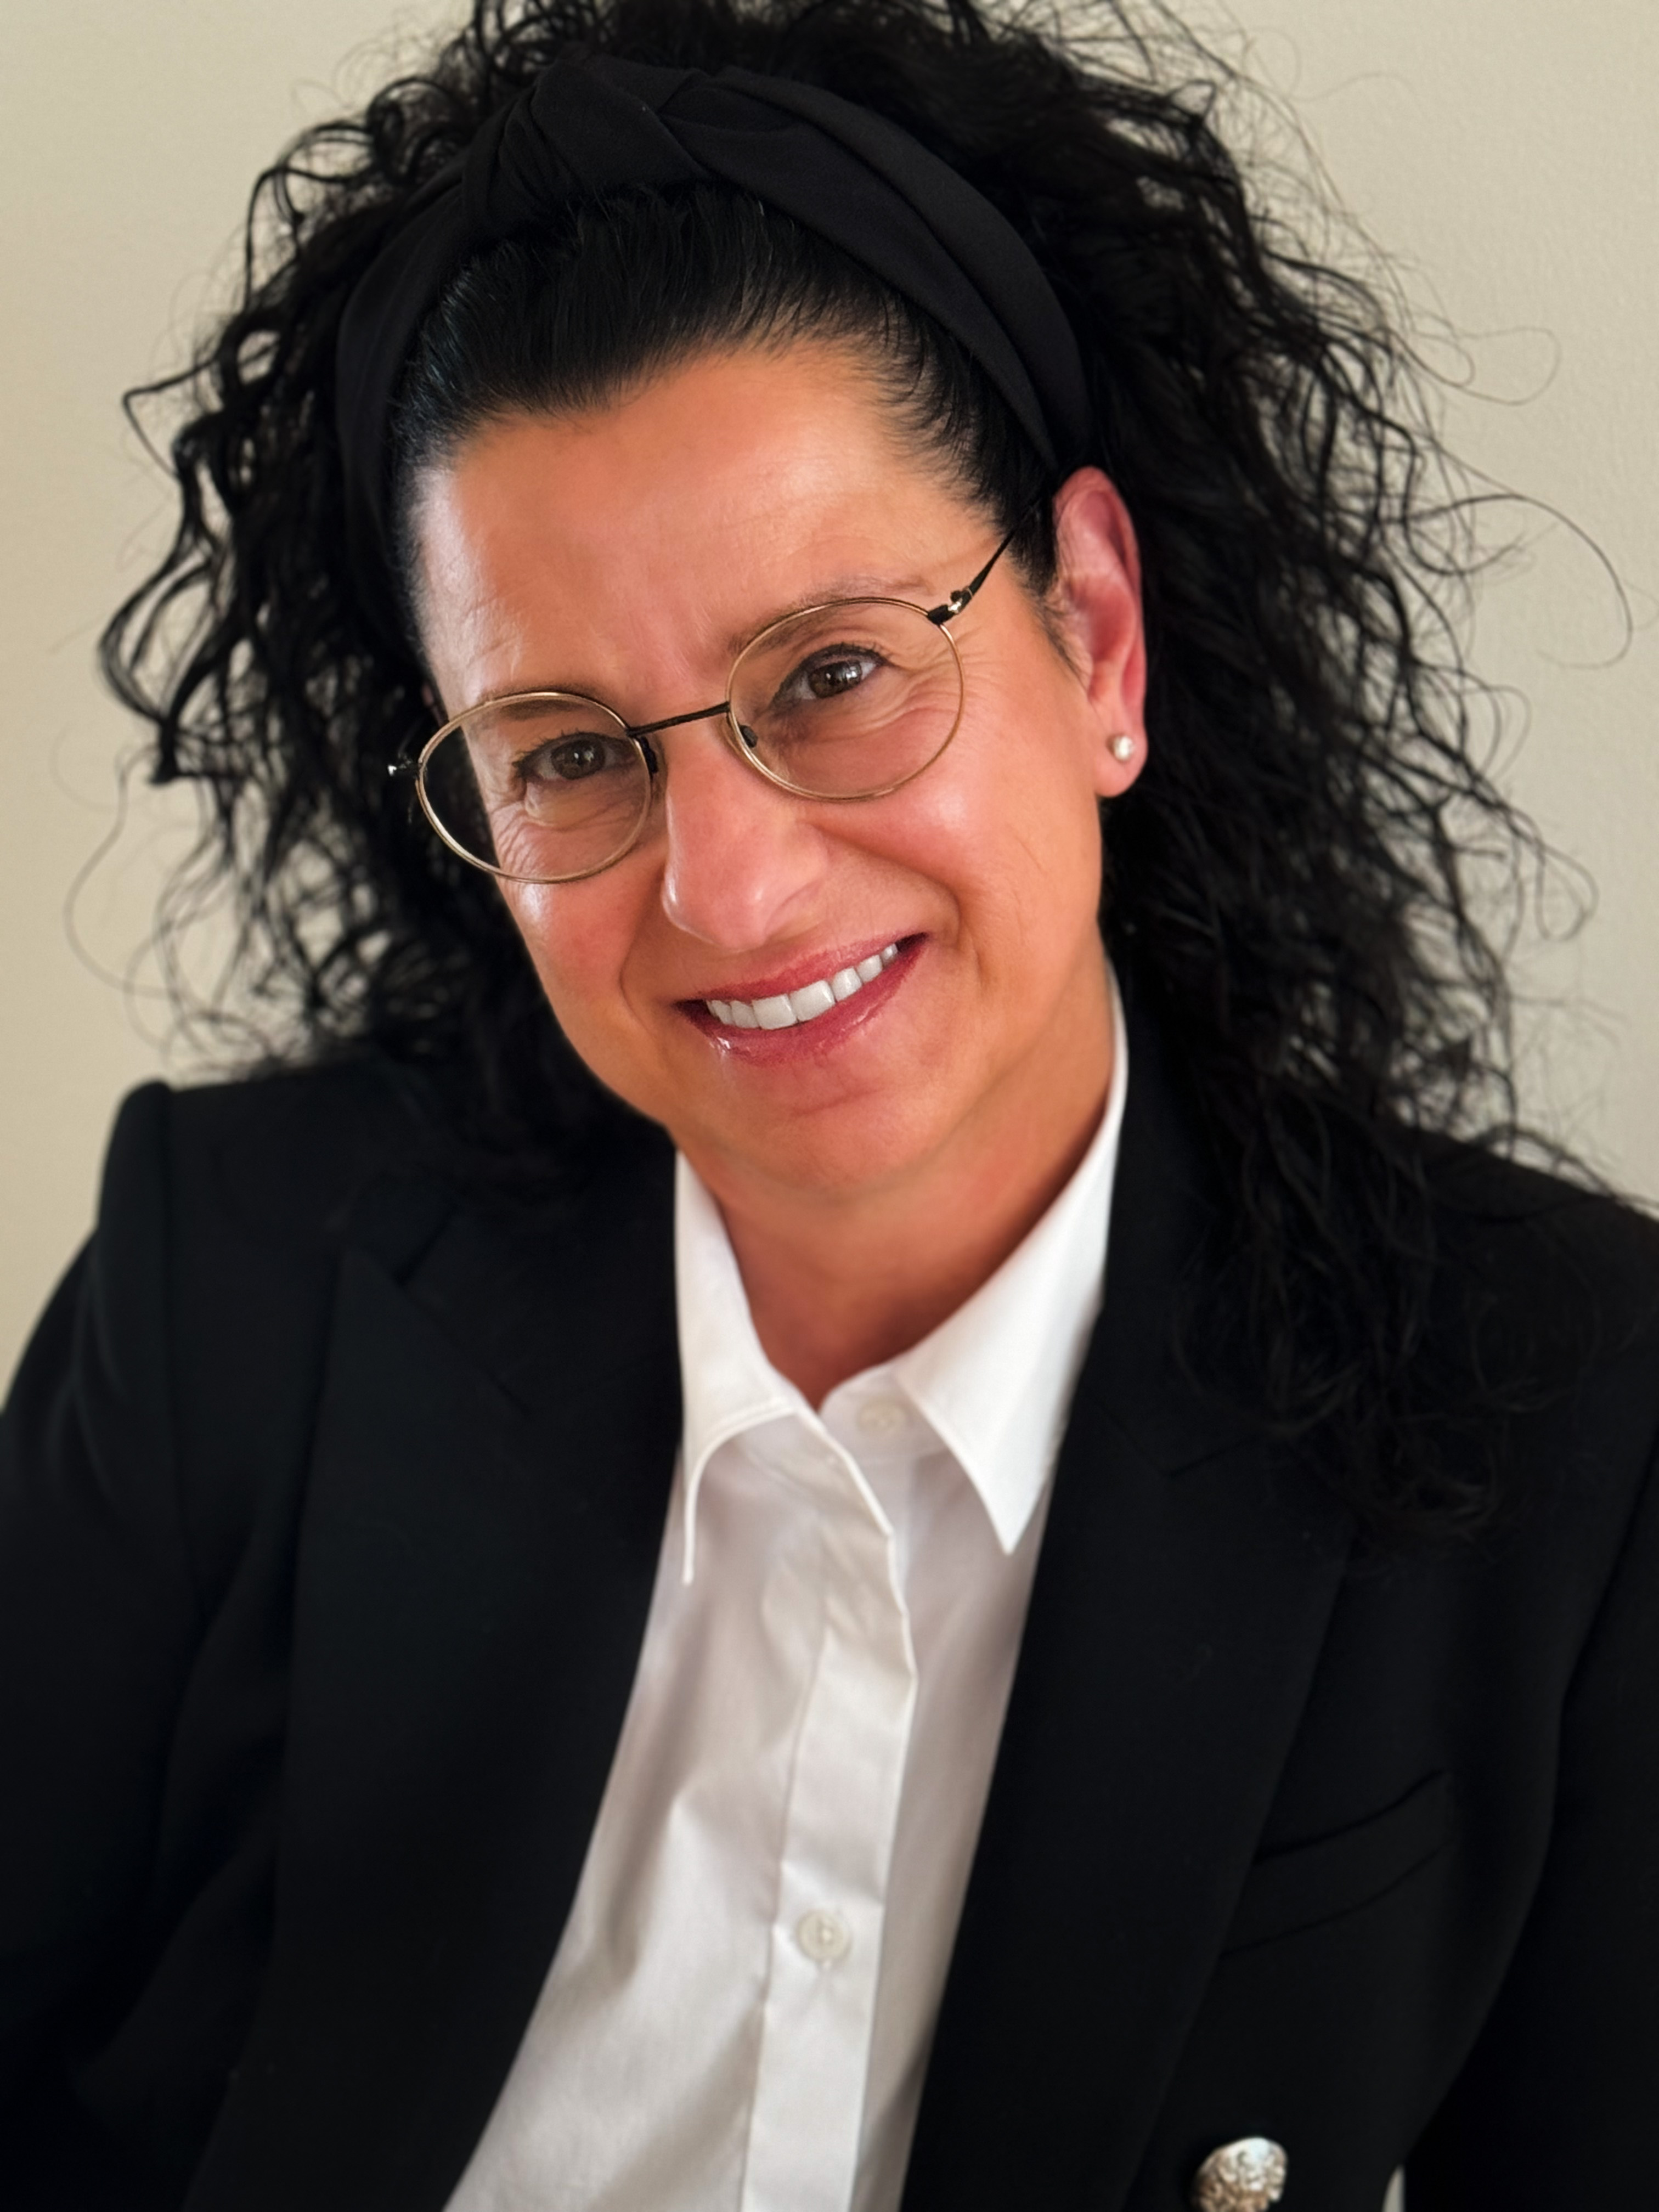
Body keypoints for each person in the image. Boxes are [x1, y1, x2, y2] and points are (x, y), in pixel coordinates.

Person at [2, 1, 1655, 2207]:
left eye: (838, 672)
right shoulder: (228, 1285)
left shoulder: (1577, 1421)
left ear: (1099, 636)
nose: (729, 888)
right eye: (568, 752)